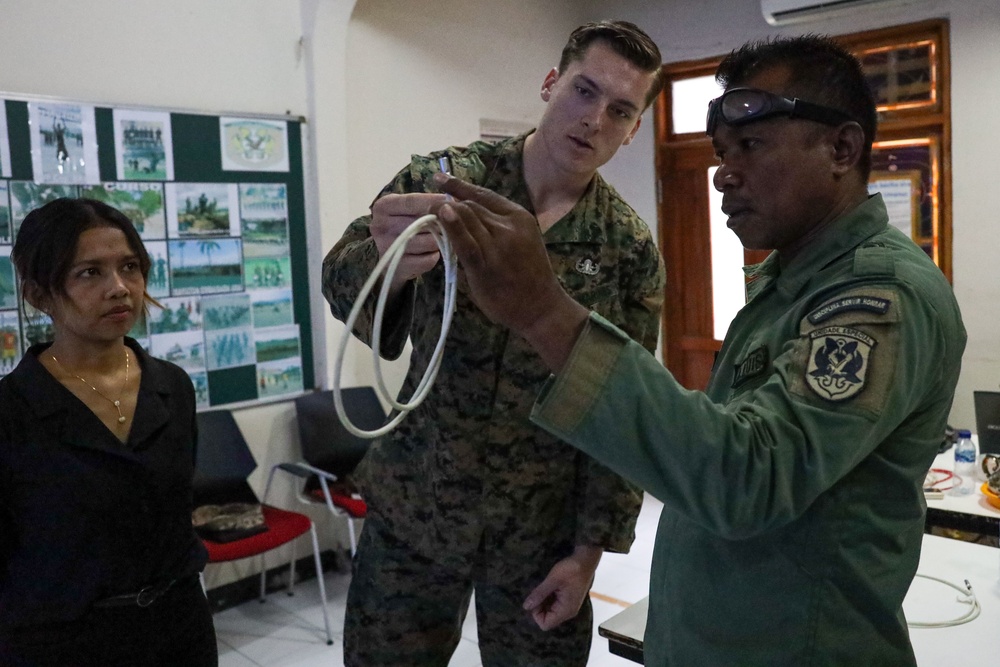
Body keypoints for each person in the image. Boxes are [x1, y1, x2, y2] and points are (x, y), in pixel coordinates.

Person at [431, 35, 967, 666]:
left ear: (841, 149)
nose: (723, 171)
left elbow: (748, 477)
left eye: (752, 145)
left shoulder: (880, 297)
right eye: (720, 152)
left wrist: (547, 313)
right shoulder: (794, 283)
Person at [322, 19, 666, 667]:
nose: (594, 119)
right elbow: (341, 282)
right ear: (549, 83)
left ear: (634, 128)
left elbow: (623, 406)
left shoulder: (626, 248)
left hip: (538, 532)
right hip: (416, 512)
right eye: (583, 91)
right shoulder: (446, 184)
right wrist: (388, 259)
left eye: (620, 110)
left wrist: (588, 556)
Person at [0, 198, 217, 666]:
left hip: (179, 632)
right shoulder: (12, 410)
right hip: (62, 644)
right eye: (89, 273)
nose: (120, 288)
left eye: (129, 267)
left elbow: (177, 514)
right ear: (39, 294)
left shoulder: (171, 387)